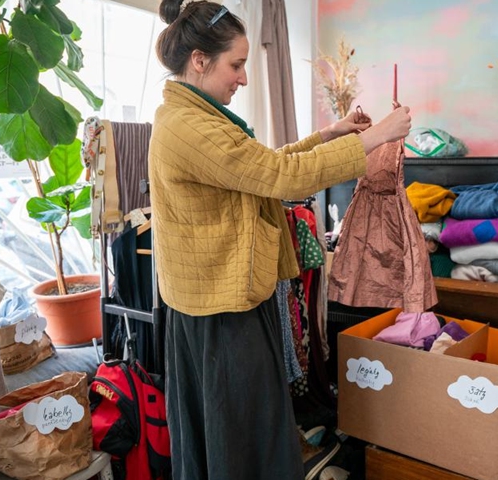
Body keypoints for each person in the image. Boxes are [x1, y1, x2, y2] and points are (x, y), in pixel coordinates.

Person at [150, 1, 412, 478]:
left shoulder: (198, 118)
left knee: (248, 428)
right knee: (241, 434)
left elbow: (262, 165)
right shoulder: (188, 127)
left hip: (227, 299)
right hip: (217, 310)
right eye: (237, 64)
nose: (244, 78)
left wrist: (331, 134)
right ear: (199, 61)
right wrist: (374, 141)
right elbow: (280, 176)